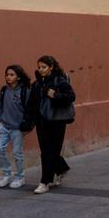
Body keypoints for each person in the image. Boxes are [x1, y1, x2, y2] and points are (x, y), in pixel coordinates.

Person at [33, 55, 75, 195]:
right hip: (42, 122)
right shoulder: (37, 83)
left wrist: (55, 95)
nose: (41, 70)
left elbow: (71, 96)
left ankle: (45, 182)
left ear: (51, 67)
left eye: (44, 67)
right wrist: (28, 122)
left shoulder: (60, 81)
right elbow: (32, 104)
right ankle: (61, 169)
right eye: (39, 67)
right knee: (46, 152)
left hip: (57, 121)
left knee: (51, 152)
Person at [0, 65, 36, 188]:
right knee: (0, 148)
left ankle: (20, 177)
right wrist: (0, 120)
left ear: (18, 77)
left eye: (12, 75)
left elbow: (30, 109)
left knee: (17, 153)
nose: (8, 77)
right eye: (7, 74)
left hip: (17, 128)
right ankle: (6, 174)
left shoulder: (24, 91)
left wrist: (28, 126)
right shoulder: (3, 90)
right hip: (4, 126)